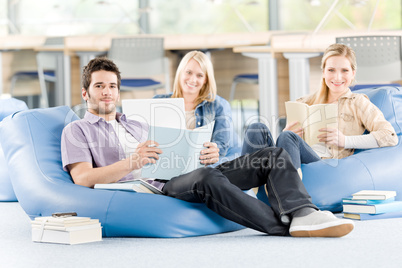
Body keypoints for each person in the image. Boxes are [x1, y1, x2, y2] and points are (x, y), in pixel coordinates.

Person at [61, 57, 355, 238]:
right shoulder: (77, 130)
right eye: (100, 86)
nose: (107, 92)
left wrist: (205, 153)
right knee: (207, 178)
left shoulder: (137, 122)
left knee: (272, 155)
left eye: (112, 86)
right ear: (86, 92)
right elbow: (83, 178)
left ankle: (303, 212)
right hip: (151, 188)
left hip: (179, 173)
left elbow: (170, 150)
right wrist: (133, 162)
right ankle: (282, 226)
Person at [242, 43, 398, 170]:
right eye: (331, 70)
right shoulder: (304, 102)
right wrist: (284, 135)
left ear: (353, 73)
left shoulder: (357, 102)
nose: (337, 77)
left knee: (288, 138)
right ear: (323, 72)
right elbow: (287, 146)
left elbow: (390, 137)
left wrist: (345, 141)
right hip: (291, 160)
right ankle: (238, 184)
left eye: (344, 70)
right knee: (257, 129)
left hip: (323, 165)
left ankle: (291, 190)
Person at [154, 51, 237, 165]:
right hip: (169, 163)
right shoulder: (158, 102)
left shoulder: (218, 105)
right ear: (180, 73)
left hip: (202, 165)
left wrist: (214, 150)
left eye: (200, 75)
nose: (193, 80)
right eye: (188, 72)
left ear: (205, 79)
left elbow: (221, 146)